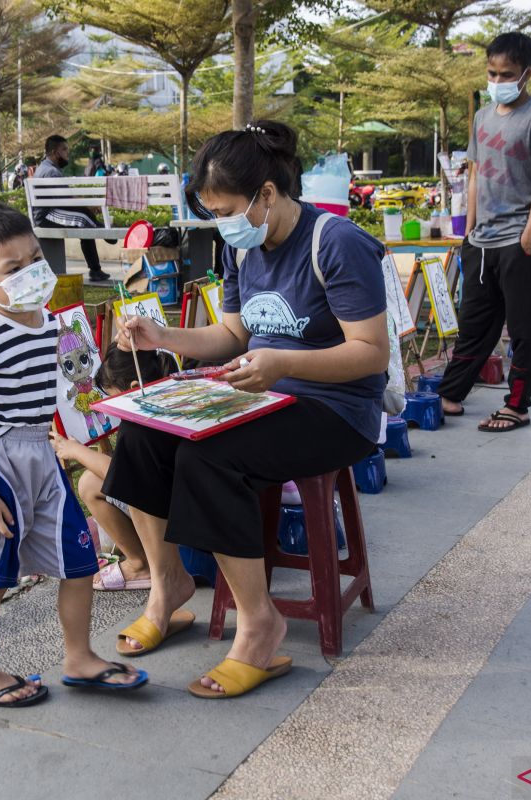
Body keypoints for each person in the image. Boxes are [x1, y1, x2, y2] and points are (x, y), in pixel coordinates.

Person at [102, 120, 388, 699]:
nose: (222, 224)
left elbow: (370, 355)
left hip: (337, 409)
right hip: (266, 394)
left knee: (212, 460)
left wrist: (283, 364)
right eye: (212, 212)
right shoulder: (243, 248)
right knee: (141, 439)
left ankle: (261, 624)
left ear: (266, 194)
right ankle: (169, 585)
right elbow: (233, 335)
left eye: (226, 209)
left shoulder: (334, 242)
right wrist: (164, 337)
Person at [0, 202, 148, 706]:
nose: (33, 275)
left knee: (78, 561)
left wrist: (123, 342)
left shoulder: (56, 325)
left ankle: (78, 657)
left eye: (35, 260)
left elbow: (85, 383)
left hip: (42, 454)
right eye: (13, 270)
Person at [437, 32, 531, 433]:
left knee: (523, 329)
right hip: (482, 241)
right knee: (474, 323)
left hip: (519, 242)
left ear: (526, 74)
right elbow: (475, 175)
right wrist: (469, 229)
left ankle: (517, 405)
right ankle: (450, 394)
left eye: (506, 74)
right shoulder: (482, 117)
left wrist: (528, 238)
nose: (497, 80)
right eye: (491, 72)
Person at [49, 345, 177, 592]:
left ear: (130, 388)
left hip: (172, 518)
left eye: (111, 396)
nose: (107, 404)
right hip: (180, 506)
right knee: (94, 479)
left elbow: (124, 475)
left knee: (88, 483)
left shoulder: (141, 426)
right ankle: (144, 561)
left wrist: (77, 452)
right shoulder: (165, 401)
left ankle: (142, 564)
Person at [30, 135, 112, 284]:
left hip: (50, 211)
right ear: (55, 153)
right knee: (82, 219)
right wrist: (88, 206)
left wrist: (86, 207)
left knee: (83, 216)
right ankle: (105, 232)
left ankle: (96, 269)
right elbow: (66, 200)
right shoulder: (51, 172)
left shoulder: (47, 168)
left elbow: (66, 199)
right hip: (46, 216)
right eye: (64, 149)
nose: (68, 153)